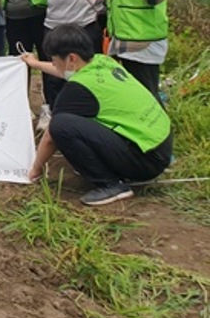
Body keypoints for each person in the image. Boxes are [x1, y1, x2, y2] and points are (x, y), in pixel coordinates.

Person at [22, 24, 172, 206]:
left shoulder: (79, 89)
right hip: (160, 144)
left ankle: (110, 185)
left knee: (60, 124)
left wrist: (35, 170)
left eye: (54, 60)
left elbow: (50, 138)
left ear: (71, 59)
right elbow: (65, 71)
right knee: (78, 119)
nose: (53, 64)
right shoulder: (102, 62)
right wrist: (35, 63)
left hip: (145, 161)